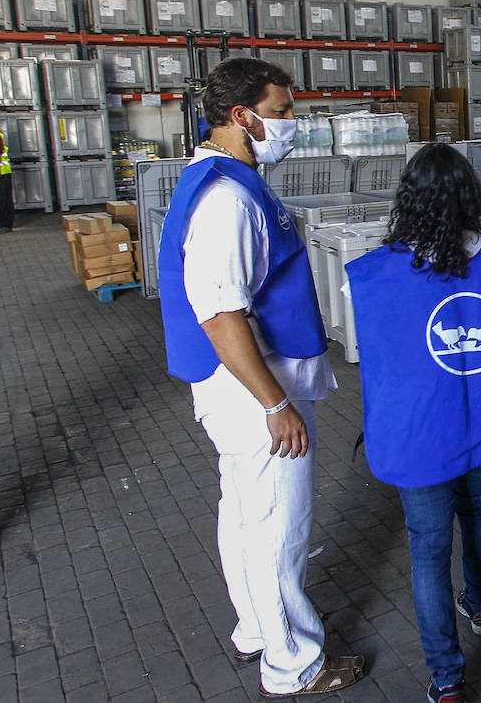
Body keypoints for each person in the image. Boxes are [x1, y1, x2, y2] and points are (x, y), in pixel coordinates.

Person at [156, 58, 364, 698]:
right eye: (280, 112)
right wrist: (277, 404)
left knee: (246, 515)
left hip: (239, 392)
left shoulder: (220, 178)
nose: (292, 124)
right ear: (241, 116)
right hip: (254, 396)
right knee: (277, 526)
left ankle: (256, 628)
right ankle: (293, 661)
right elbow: (220, 314)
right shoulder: (226, 201)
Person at [346, 144, 481, 703]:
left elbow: (379, 358)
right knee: (477, 507)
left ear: (407, 201)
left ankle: (448, 676)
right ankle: (480, 604)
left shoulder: (374, 276)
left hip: (419, 439)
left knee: (428, 550)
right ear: (470, 196)